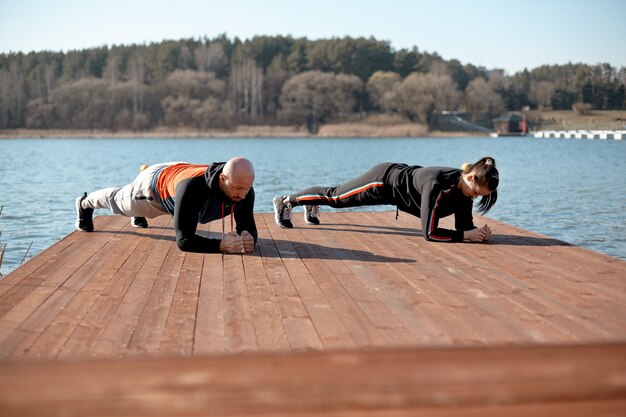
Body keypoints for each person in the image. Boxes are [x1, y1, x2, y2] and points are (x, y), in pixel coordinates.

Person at [273, 156, 499, 243]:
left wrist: (477, 233)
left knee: (334, 197)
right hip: (383, 181)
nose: (476, 197)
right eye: (477, 192)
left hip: (395, 192)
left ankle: (312, 203)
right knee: (336, 197)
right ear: (469, 177)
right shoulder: (437, 185)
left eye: (482, 196)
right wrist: (464, 236)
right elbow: (429, 233)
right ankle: (286, 201)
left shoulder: (465, 190)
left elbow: (464, 227)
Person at [75, 157, 257, 254]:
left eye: (247, 189)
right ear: (222, 179)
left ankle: (137, 216)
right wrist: (220, 245)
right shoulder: (193, 189)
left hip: (178, 171)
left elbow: (248, 227)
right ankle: (84, 202)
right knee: (118, 200)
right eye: (238, 188)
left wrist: (250, 238)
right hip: (152, 189)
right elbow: (184, 241)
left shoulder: (243, 189)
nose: (242, 195)